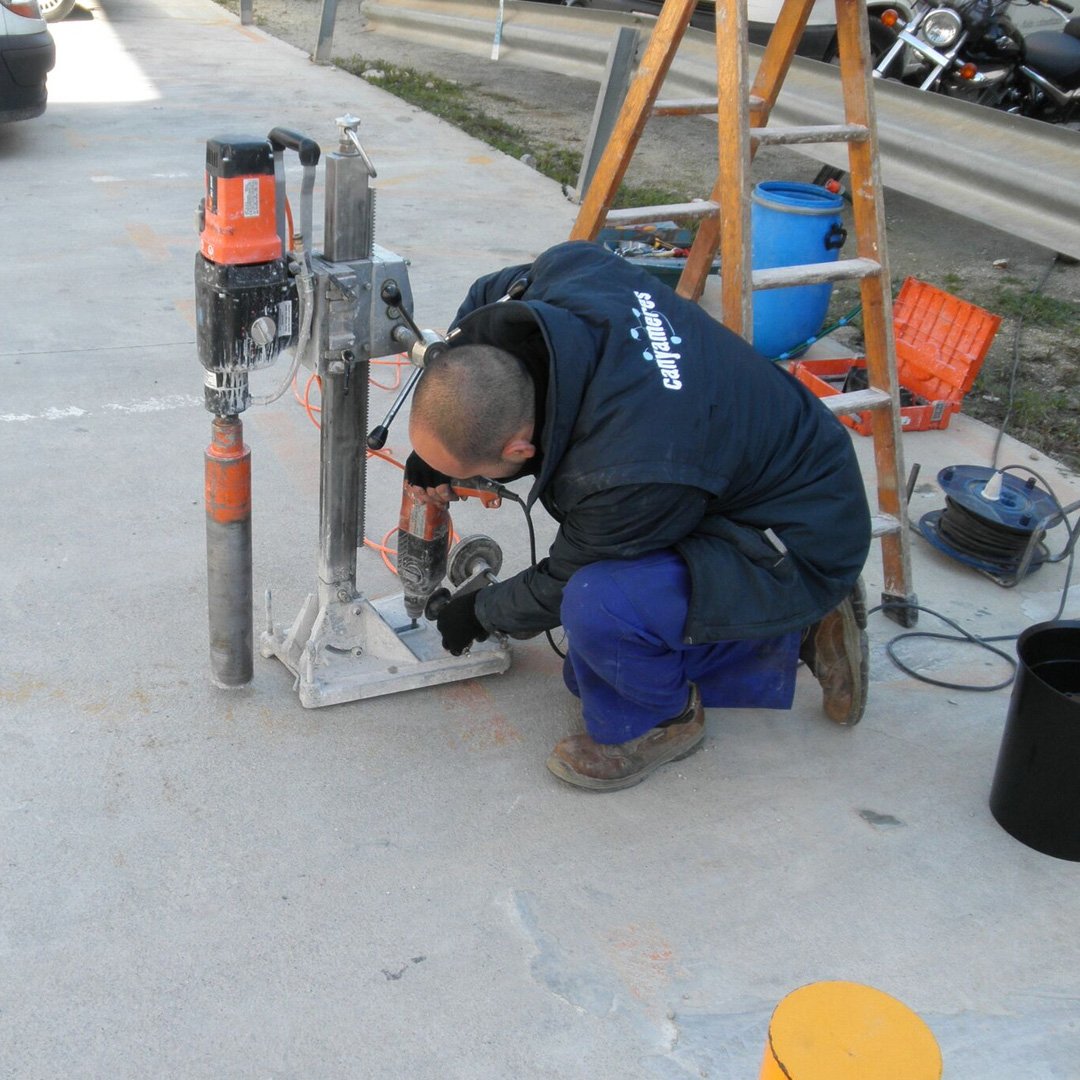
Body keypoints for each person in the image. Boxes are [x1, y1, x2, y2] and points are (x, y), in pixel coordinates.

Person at [405, 240, 871, 792]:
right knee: (604, 638)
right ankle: (790, 623)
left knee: (601, 612)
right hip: (756, 461)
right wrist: (440, 449)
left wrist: (484, 612)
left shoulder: (625, 473)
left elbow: (565, 580)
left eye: (479, 473)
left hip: (798, 534)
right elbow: (474, 334)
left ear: (519, 449)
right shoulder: (569, 272)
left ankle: (665, 718)